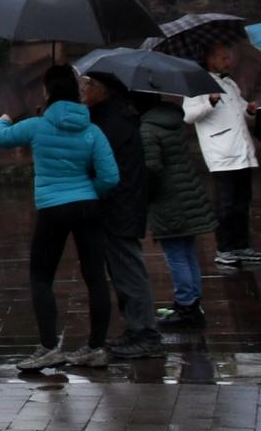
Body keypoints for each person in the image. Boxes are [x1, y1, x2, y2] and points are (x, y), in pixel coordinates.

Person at [0, 65, 120, 371]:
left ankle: (50, 347)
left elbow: (1, 137)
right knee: (95, 277)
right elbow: (110, 177)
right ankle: (96, 348)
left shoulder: (36, 126)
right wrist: (89, 190)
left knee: (41, 277)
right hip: (87, 206)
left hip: (52, 209)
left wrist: (5, 117)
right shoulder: (92, 130)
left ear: (48, 92)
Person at [82, 70, 160, 359]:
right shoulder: (111, 115)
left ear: (105, 90)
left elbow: (98, 161)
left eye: (89, 84)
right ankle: (135, 327)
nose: (84, 89)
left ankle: (146, 335)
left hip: (120, 206)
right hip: (119, 205)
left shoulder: (114, 121)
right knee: (121, 270)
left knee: (129, 270)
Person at [137, 91, 214, 329]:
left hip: (168, 200)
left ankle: (186, 306)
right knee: (188, 252)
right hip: (188, 194)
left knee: (176, 255)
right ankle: (192, 303)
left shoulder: (147, 129)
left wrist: (143, 197)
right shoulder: (172, 120)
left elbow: (151, 169)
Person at [181, 46, 258, 267]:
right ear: (209, 59)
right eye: (223, 57)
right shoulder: (198, 84)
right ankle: (224, 248)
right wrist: (210, 101)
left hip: (242, 151)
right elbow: (189, 116)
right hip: (222, 153)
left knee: (242, 202)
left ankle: (242, 245)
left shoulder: (229, 82)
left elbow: (240, 109)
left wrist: (250, 110)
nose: (228, 61)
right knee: (226, 203)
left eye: (228, 56)